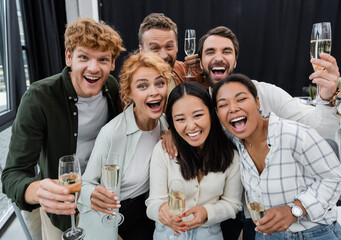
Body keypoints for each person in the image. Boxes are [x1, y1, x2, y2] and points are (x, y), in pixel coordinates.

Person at [1, 18, 124, 239]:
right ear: (69, 57)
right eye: (84, 57)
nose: (94, 68)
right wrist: (38, 191)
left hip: (101, 199)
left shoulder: (112, 87)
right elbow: (12, 174)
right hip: (63, 209)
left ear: (113, 63)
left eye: (103, 59)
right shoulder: (38, 97)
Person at [212, 73, 341, 240]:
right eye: (223, 105)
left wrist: (296, 209)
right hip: (267, 235)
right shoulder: (232, 142)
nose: (233, 108)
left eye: (241, 99)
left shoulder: (296, 134)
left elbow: (334, 178)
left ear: (257, 102)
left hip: (314, 234)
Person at [77, 51, 172, 240]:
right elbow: (85, 184)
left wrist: (173, 135)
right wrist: (92, 195)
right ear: (129, 92)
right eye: (143, 86)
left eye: (159, 83)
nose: (154, 91)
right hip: (112, 215)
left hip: (146, 210)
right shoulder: (112, 133)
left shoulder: (165, 124)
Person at [197, 26, 341, 138]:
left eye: (226, 51)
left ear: (235, 61)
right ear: (201, 64)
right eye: (210, 52)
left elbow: (322, 128)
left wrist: (327, 97)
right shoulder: (197, 104)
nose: (218, 58)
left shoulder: (266, 93)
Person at [146, 82, 242, 240]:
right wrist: (161, 209)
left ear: (211, 113)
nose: (191, 126)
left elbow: (233, 204)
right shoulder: (163, 151)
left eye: (198, 115)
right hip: (169, 235)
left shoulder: (230, 155)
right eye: (180, 119)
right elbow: (152, 203)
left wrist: (207, 213)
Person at [138, 12, 208, 95]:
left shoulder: (183, 70)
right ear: (141, 51)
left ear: (176, 47)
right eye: (155, 48)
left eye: (169, 47)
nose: (164, 56)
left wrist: (203, 72)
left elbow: (211, 94)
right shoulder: (132, 83)